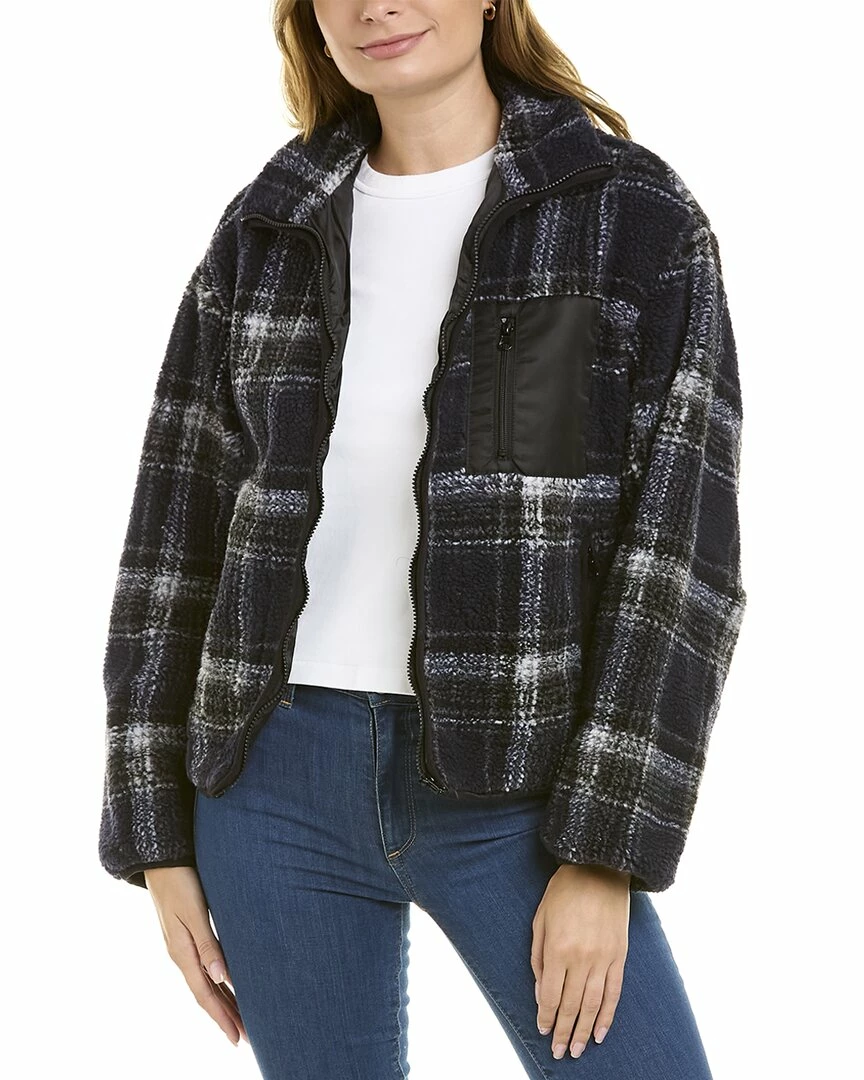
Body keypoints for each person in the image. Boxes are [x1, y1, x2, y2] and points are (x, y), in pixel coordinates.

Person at [98, 1, 747, 1076]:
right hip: (270, 786)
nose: (377, 6)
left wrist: (606, 850)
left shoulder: (626, 215)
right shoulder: (269, 225)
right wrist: (155, 835)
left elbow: (681, 558)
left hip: (520, 795)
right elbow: (170, 540)